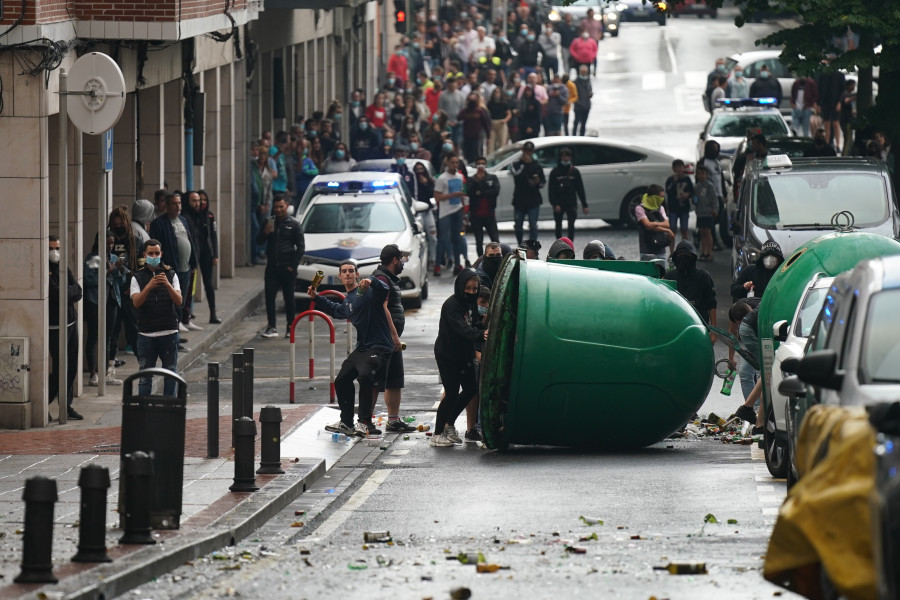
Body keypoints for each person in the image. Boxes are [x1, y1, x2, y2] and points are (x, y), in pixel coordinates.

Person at [311, 261, 398, 437]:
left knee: (365, 376)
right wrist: (316, 297)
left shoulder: (369, 292)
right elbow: (337, 310)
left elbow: (383, 291)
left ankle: (365, 422)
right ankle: (347, 422)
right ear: (340, 276)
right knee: (341, 380)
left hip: (380, 345)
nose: (348, 274)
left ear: (357, 275)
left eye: (351, 271)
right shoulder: (349, 299)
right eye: (345, 271)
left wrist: (372, 281)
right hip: (363, 347)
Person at [430, 269, 487, 447]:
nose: (471, 292)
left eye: (474, 289)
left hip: (464, 354)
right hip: (448, 354)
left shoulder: (471, 304)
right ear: (460, 286)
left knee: (470, 390)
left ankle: (449, 425)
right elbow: (462, 329)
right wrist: (481, 334)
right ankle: (437, 433)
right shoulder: (452, 305)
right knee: (452, 393)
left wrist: (482, 326)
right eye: (467, 288)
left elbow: (474, 323)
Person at [371, 245, 417, 434]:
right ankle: (365, 420)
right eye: (402, 259)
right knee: (375, 381)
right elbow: (383, 309)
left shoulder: (388, 278)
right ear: (395, 260)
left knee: (394, 380)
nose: (404, 263)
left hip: (391, 339)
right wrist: (393, 336)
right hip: (384, 339)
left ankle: (393, 420)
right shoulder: (382, 279)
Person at [130, 239, 183, 397]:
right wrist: (148, 286)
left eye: (157, 253)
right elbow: (136, 302)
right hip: (147, 335)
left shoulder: (171, 274)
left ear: (161, 254)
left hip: (169, 333)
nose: (154, 256)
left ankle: (169, 409)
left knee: (170, 374)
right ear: (145, 255)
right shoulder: (137, 277)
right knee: (145, 377)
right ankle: (144, 412)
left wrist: (167, 285)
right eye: (151, 253)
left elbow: (179, 301)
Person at [149, 193, 198, 337]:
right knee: (170, 305)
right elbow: (156, 249)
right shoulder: (159, 223)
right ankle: (171, 337)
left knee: (180, 304)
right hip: (171, 271)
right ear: (167, 206)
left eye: (179, 203)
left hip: (186, 269)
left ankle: (176, 336)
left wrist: (193, 261)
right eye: (174, 204)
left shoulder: (183, 220)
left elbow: (190, 241)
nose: (178, 207)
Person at [257, 195, 305, 338]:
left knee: (288, 298)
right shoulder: (269, 222)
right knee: (270, 297)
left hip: (287, 268)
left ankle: (291, 326)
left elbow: (300, 247)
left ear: (287, 207)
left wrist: (293, 265)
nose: (278, 210)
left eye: (281, 207)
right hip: (272, 268)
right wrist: (265, 232)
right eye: (276, 207)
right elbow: (259, 241)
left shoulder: (294, 224)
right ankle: (271, 326)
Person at [84, 232, 129, 387]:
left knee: (109, 337)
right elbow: (89, 279)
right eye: (107, 243)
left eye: (112, 243)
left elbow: (120, 281)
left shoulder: (114, 258)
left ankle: (107, 372)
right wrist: (107, 272)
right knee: (94, 336)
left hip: (112, 299)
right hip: (95, 301)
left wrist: (120, 270)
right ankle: (92, 373)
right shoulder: (94, 258)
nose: (110, 246)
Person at [49, 235, 83, 421]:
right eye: (51, 248)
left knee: (71, 367)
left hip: (71, 322)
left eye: (57, 248)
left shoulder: (62, 267)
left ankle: (66, 404)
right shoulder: (46, 270)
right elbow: (54, 294)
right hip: (54, 327)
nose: (55, 252)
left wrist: (65, 293)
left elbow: (77, 289)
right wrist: (66, 292)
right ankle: (45, 400)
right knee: (59, 369)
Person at [664, 241, 717, 334]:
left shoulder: (704, 276)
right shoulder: (669, 277)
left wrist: (713, 331)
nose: (683, 257)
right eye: (680, 254)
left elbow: (712, 304)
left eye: (687, 254)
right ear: (676, 257)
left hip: (700, 326)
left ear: (693, 257)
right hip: (675, 327)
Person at [186, 190, 221, 324]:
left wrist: (215, 254)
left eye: (204, 200)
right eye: (199, 200)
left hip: (206, 252)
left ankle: (213, 313)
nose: (201, 203)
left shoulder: (209, 216)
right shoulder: (191, 216)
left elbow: (213, 236)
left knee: (209, 284)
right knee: (190, 284)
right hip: (194, 253)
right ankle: (188, 313)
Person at [433, 153, 469, 277]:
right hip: (445, 212)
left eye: (456, 162)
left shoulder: (460, 177)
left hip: (457, 209)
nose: (455, 165)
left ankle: (457, 264)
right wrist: (452, 195)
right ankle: (437, 265)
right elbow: (437, 196)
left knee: (457, 238)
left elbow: (462, 196)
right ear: (447, 163)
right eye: (452, 162)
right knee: (442, 239)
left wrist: (464, 213)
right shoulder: (442, 178)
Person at [548, 148, 588, 241]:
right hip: (559, 202)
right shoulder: (555, 171)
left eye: (567, 156)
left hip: (571, 202)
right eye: (563, 156)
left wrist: (584, 204)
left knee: (571, 224)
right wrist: (554, 204)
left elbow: (580, 189)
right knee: (558, 224)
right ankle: (558, 242)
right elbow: (551, 190)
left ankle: (570, 243)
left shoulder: (574, 171)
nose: (566, 158)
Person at [510, 140, 545, 246]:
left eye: (530, 151)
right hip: (519, 200)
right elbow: (515, 174)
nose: (528, 152)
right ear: (523, 150)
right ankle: (520, 245)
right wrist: (524, 164)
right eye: (526, 150)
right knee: (518, 226)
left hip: (533, 200)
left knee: (533, 226)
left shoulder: (537, 166)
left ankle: (532, 246)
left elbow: (543, 182)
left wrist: (538, 182)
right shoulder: (516, 164)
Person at [467, 156, 501, 257]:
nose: (481, 166)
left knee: (495, 239)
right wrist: (478, 181)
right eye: (479, 164)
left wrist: (480, 192)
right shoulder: (472, 179)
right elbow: (470, 192)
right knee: (479, 240)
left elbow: (495, 191)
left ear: (485, 165)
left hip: (489, 214)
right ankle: (480, 260)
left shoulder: (492, 177)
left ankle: (499, 258)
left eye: (482, 163)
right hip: (476, 215)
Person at [250, 144, 276, 265]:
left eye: (264, 154)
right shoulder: (252, 168)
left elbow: (269, 190)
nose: (262, 156)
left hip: (266, 203)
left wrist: (267, 204)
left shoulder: (268, 171)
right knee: (255, 228)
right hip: (255, 203)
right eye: (260, 154)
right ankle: (255, 253)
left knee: (267, 227)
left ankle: (263, 251)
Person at [634, 184, 673, 260]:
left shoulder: (661, 208)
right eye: (660, 197)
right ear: (653, 197)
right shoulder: (640, 208)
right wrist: (666, 229)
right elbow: (647, 225)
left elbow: (667, 223)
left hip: (661, 248)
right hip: (646, 249)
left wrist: (653, 223)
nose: (662, 199)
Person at [664, 159, 694, 251]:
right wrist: (674, 180)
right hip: (673, 208)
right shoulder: (670, 179)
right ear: (673, 169)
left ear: (683, 168)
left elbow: (692, 191)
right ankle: (672, 251)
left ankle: (685, 250)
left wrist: (687, 195)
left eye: (680, 167)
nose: (678, 169)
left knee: (684, 230)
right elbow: (668, 190)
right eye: (676, 167)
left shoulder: (687, 179)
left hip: (684, 208)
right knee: (672, 230)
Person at [694, 165, 718, 262]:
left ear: (707, 175)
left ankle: (709, 252)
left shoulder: (709, 185)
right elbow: (695, 199)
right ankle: (703, 252)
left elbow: (714, 199)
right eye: (699, 173)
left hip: (708, 213)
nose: (701, 175)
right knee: (702, 233)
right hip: (700, 213)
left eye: (703, 173)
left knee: (708, 233)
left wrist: (715, 209)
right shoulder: (696, 186)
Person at [457, 92, 491, 162]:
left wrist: (488, 136)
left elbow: (486, 124)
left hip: (477, 137)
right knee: (467, 154)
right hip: (466, 136)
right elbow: (459, 117)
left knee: (476, 154)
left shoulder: (479, 111)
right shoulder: (465, 111)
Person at [486, 87, 511, 153]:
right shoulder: (490, 103)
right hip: (492, 123)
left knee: (502, 143)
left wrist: (505, 120)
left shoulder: (504, 103)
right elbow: (487, 113)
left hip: (501, 123)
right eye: (495, 92)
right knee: (491, 143)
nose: (497, 94)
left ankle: (501, 159)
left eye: (498, 92)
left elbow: (509, 114)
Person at [572, 65, 593, 136]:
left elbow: (590, 90)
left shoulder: (588, 80)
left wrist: (590, 94)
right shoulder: (575, 82)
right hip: (578, 106)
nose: (584, 73)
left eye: (585, 72)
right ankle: (574, 137)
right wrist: (578, 102)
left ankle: (582, 137)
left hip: (586, 106)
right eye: (583, 72)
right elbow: (573, 94)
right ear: (579, 72)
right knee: (576, 123)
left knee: (583, 124)